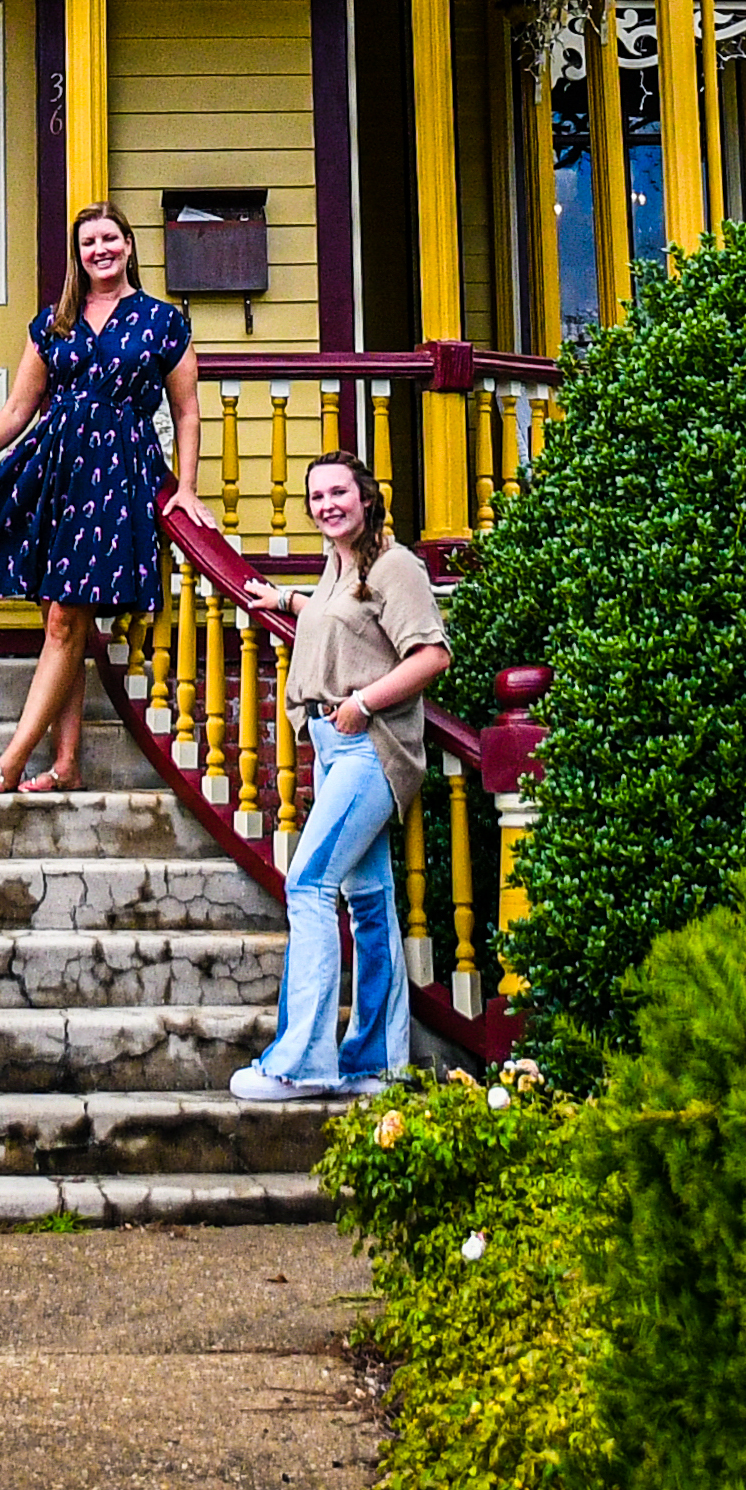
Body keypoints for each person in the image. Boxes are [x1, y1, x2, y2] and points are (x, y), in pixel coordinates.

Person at [0, 201, 197, 797]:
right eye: (88, 242)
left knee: (64, 616)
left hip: (118, 472)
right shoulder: (55, 321)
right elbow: (20, 409)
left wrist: (187, 487)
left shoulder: (161, 320)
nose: (100, 250)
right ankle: (67, 760)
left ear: (129, 245)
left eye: (110, 238)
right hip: (56, 469)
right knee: (61, 613)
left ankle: (13, 759)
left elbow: (186, 410)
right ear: (78, 255)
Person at [229, 449, 447, 1104]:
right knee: (372, 903)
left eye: (338, 493)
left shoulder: (394, 563)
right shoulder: (341, 565)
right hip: (333, 745)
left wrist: (363, 703)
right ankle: (377, 1063)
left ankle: (302, 1062)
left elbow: (431, 654)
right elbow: (344, 622)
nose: (327, 505)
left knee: (309, 883)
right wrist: (287, 599)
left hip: (369, 747)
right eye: (316, 496)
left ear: (366, 496)